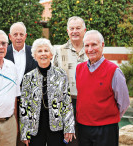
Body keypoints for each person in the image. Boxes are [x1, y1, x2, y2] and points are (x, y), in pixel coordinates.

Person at [76, 30, 130, 146]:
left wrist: (109, 119)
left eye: (94, 44)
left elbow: (124, 102)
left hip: (106, 129)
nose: (90, 49)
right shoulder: (79, 69)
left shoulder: (114, 71)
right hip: (83, 127)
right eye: (87, 45)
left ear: (102, 45)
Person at [20, 38, 75, 146]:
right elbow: (24, 106)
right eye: (39, 51)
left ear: (51, 54)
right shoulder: (28, 77)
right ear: (35, 56)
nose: (43, 54)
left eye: (46, 50)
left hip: (57, 124)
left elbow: (66, 101)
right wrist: (24, 132)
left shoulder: (61, 74)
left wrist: (69, 127)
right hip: (35, 126)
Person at [53, 16, 87, 145]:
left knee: (86, 138)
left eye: (78, 28)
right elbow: (53, 78)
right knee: (70, 140)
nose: (74, 31)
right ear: (67, 31)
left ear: (84, 30)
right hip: (67, 102)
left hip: (87, 102)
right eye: (71, 28)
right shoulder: (59, 51)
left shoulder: (91, 49)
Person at [5, 22, 37, 146]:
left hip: (29, 103)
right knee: (10, 136)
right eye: (15, 34)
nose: (18, 37)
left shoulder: (33, 53)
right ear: (10, 36)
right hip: (8, 101)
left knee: (28, 138)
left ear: (26, 36)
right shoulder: (3, 52)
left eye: (21, 34)